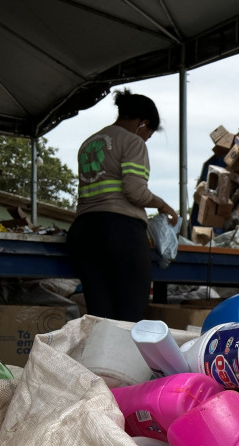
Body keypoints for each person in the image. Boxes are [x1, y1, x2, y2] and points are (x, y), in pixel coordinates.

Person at [67, 89, 178, 322]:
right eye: (149, 132)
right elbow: (135, 192)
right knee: (129, 315)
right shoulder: (132, 142)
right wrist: (162, 205)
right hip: (120, 232)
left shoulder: (88, 143)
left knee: (100, 316)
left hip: (84, 233)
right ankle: (121, 359)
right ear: (143, 123)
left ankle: (99, 359)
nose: (147, 138)